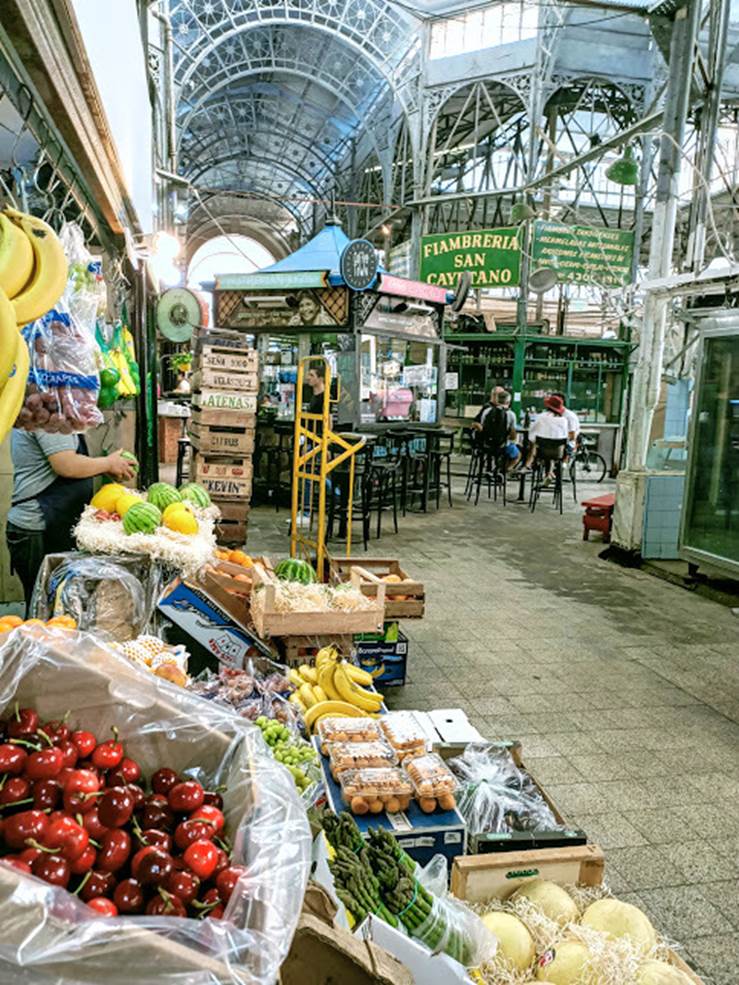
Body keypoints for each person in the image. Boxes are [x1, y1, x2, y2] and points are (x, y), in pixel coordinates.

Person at [6, 429, 135, 611]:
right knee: (44, 609)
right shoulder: (47, 411)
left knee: (57, 606)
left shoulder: (59, 414)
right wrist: (108, 464)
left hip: (53, 524)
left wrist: (108, 465)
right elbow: (66, 465)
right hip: (38, 530)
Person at [472, 386, 520, 471]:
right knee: (517, 454)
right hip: (502, 447)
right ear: (508, 401)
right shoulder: (511, 415)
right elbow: (513, 437)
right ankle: (502, 471)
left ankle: (496, 469)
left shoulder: (487, 411)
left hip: (486, 445)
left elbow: (482, 427)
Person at [525, 394, 569, 475]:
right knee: (552, 449)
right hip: (558, 452)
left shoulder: (540, 417)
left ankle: (528, 464)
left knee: (534, 443)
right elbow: (565, 436)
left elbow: (532, 433)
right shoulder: (564, 420)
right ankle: (549, 473)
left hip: (541, 451)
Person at [552, 391, 580, 459]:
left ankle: (563, 467)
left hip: (567, 443)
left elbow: (572, 436)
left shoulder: (569, 416)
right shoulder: (552, 414)